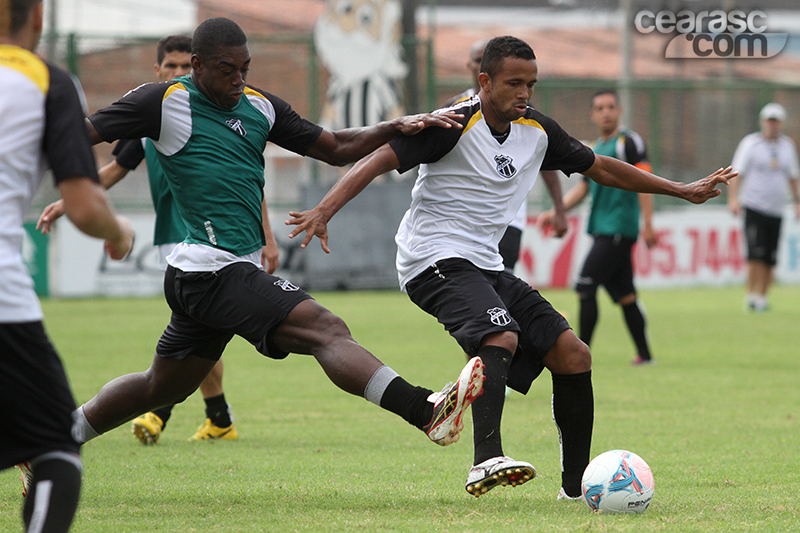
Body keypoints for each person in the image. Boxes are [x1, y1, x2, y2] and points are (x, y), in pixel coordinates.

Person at [287, 35, 736, 499]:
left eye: (531, 84)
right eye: (514, 83)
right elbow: (378, 159)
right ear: (484, 81)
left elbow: (601, 167)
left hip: (485, 263)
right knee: (499, 334)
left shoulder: (537, 129)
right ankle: (485, 460)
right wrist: (324, 210)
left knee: (573, 354)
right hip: (431, 258)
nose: (524, 93)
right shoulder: (454, 123)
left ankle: (577, 489)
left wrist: (681, 189)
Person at [68, 18, 486, 477]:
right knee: (325, 327)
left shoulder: (259, 106)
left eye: (245, 68)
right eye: (227, 70)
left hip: (208, 274)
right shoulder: (164, 100)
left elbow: (337, 146)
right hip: (211, 270)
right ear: (198, 65)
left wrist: (396, 125)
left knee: (158, 389)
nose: (238, 79)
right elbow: (78, 134)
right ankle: (427, 412)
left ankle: (56, 438)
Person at [37, 35, 246, 444]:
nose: (180, 74)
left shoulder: (215, 115)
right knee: (201, 331)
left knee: (198, 331)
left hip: (210, 236)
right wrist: (71, 198)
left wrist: (267, 239)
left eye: (188, 66)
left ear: (199, 67)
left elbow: (244, 184)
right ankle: (217, 419)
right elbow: (115, 169)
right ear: (158, 71)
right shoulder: (154, 117)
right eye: (172, 67)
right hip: (175, 233)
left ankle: (163, 412)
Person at [1, 0, 134, 530]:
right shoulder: (45, 82)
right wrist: (119, 232)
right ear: (37, 18)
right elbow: (83, 205)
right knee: (55, 448)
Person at [538, 89, 658, 366]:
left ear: (619, 111)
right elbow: (583, 188)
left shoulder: (629, 142)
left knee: (585, 286)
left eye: (610, 107)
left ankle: (579, 352)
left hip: (618, 228)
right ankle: (646, 355)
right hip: (603, 228)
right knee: (626, 295)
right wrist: (556, 210)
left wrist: (648, 224)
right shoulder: (594, 147)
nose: (606, 112)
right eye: (600, 108)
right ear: (593, 114)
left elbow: (647, 181)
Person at [446, 38, 567, 272]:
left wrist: (559, 209)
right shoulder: (453, 110)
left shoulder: (520, 113)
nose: (482, 64)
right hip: (465, 219)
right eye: (477, 60)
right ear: (470, 67)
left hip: (508, 217)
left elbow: (545, 159)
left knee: (501, 282)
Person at [728, 102, 800, 312]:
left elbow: (793, 177)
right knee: (756, 254)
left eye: (776, 121)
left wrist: (797, 201)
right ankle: (751, 295)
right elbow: (737, 173)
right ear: (762, 122)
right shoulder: (751, 144)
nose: (772, 125)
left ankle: (763, 297)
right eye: (769, 121)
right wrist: (734, 199)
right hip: (754, 206)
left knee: (770, 257)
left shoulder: (787, 147)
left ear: (781, 124)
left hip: (776, 209)